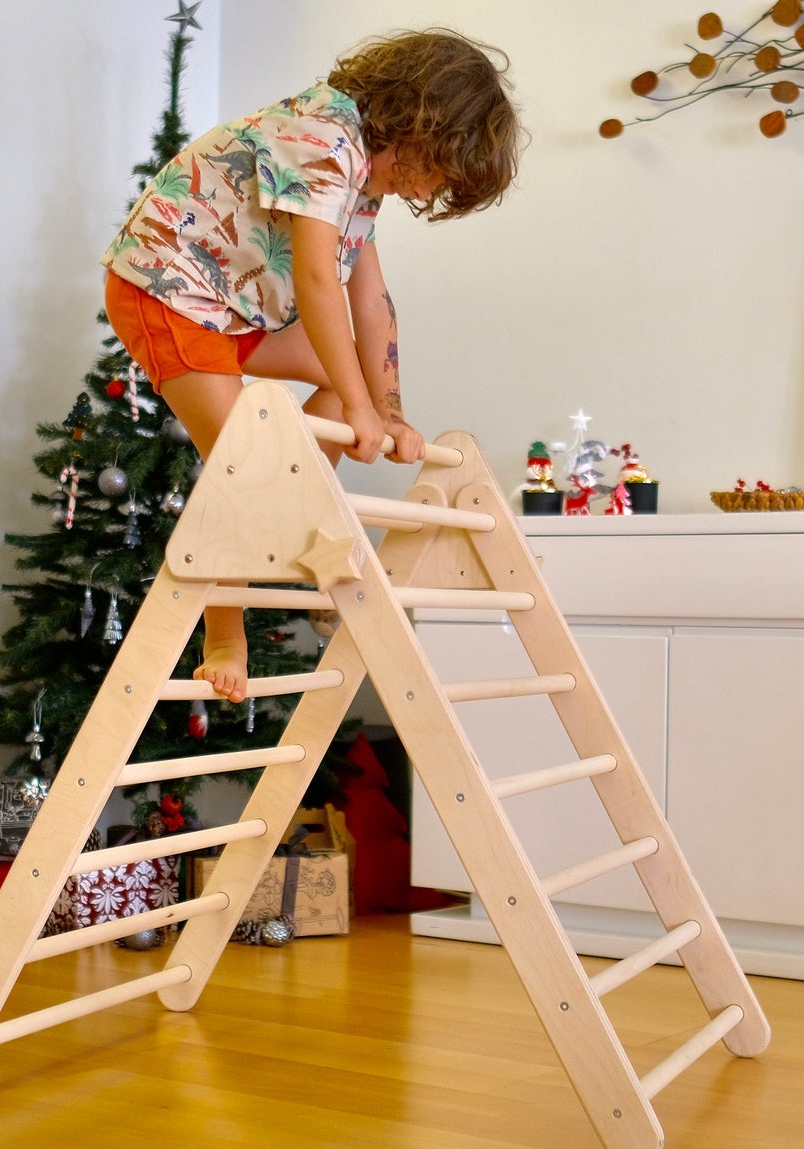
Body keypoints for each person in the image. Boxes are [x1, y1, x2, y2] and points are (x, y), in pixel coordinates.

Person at [101, 28, 521, 702]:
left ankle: (289, 516)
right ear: (416, 124)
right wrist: (360, 408)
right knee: (246, 460)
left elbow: (372, 298)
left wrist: (387, 407)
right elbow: (320, 282)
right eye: (437, 169)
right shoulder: (323, 138)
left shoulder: (364, 179)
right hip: (169, 290)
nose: (431, 187)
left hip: (238, 307)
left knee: (320, 407)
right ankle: (223, 633)